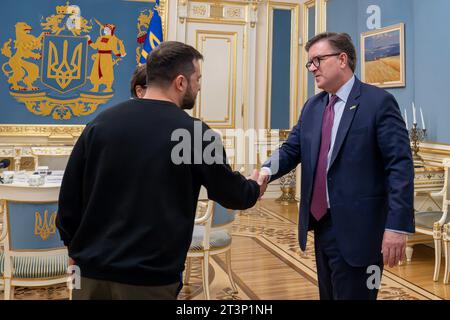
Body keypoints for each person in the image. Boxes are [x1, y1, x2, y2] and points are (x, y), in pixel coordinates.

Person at [56, 41, 262, 300]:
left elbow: (69, 197)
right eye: (197, 78)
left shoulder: (100, 123)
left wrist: (72, 249)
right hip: (149, 278)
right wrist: (256, 185)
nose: (199, 86)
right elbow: (234, 195)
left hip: (87, 273)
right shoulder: (194, 134)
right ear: (180, 82)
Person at [257, 32, 415, 300]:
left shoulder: (378, 103)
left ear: (342, 59)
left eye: (317, 60)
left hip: (362, 232)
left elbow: (399, 167)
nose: (312, 69)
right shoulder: (313, 106)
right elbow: (291, 149)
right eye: (309, 63)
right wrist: (265, 170)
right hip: (322, 225)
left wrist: (396, 228)